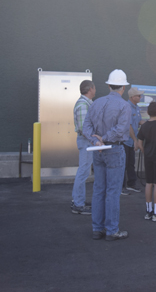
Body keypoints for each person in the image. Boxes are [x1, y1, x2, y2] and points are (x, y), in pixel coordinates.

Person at [83, 69, 131, 241]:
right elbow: (121, 130)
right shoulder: (124, 105)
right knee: (112, 191)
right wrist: (104, 139)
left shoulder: (96, 103)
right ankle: (111, 230)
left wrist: (97, 141)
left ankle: (97, 229)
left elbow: (86, 126)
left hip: (98, 150)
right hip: (114, 149)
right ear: (123, 88)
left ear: (109, 85)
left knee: (98, 190)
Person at [71, 80, 96, 215]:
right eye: (94, 87)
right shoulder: (83, 105)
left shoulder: (86, 104)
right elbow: (83, 128)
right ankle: (78, 204)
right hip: (86, 142)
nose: (95, 90)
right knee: (83, 172)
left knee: (83, 171)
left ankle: (77, 200)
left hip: (86, 141)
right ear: (90, 89)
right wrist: (95, 139)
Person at [123, 87, 145, 193]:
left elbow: (139, 121)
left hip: (131, 141)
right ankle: (122, 187)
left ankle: (131, 184)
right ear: (132, 97)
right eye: (138, 96)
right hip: (125, 141)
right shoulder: (127, 107)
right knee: (123, 164)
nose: (140, 97)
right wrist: (135, 140)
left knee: (131, 163)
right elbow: (129, 126)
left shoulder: (136, 107)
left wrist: (150, 123)